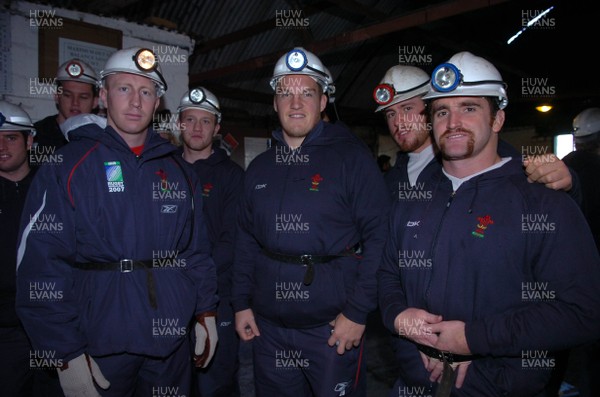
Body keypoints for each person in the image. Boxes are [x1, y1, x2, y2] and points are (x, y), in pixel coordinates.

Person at [377, 51, 600, 397]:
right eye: (441, 111)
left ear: (497, 119)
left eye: (469, 108)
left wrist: (472, 339)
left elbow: (583, 312)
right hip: (412, 382)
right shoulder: (411, 197)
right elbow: (388, 273)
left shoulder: (542, 200)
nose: (453, 122)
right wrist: (398, 317)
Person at [15, 47, 218, 397]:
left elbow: (195, 251)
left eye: (146, 91)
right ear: (105, 97)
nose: (135, 101)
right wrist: (64, 352)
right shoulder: (69, 165)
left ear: (158, 103)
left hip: (168, 344)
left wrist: (206, 312)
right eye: (124, 89)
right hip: (99, 344)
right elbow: (41, 262)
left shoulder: (179, 172)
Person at [232, 47, 390, 396]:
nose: (295, 103)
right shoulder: (259, 169)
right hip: (269, 331)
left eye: (307, 93)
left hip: (332, 330)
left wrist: (358, 313)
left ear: (322, 102)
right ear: (274, 103)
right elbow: (245, 240)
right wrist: (241, 302)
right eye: (285, 93)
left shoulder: (351, 159)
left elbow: (380, 237)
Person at [373, 64, 578, 201]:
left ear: (429, 110)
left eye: (407, 109)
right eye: (390, 114)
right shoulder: (389, 180)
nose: (398, 121)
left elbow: (546, 201)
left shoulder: (496, 158)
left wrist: (570, 184)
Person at [177, 86, 244, 397]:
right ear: (179, 124)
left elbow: (232, 241)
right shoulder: (163, 171)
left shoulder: (232, 177)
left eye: (205, 122)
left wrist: (192, 279)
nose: (196, 128)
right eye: (189, 120)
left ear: (217, 128)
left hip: (218, 298)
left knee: (214, 383)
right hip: (170, 299)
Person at [33, 58, 99, 153]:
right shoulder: (38, 135)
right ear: (57, 97)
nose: (75, 103)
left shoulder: (103, 137)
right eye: (67, 95)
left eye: (83, 97)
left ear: (95, 102)